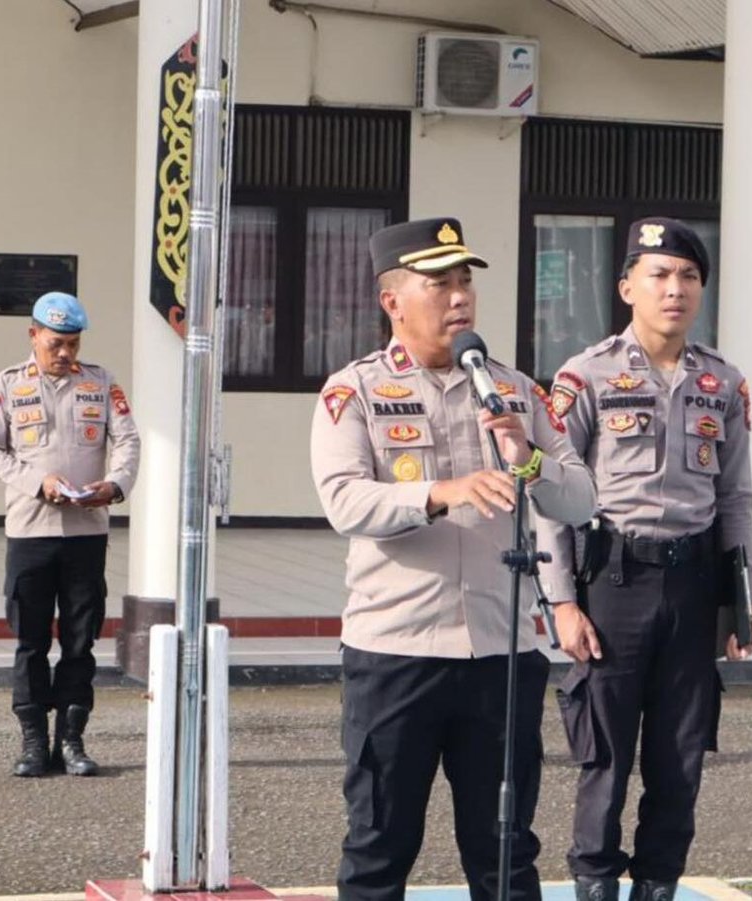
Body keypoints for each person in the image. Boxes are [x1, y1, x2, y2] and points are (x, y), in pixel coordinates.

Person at [310, 218, 595, 901]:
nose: (460, 297)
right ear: (393, 301)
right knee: (379, 845)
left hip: (500, 656)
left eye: (466, 280)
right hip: (395, 654)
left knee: (505, 851)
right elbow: (345, 501)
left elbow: (582, 498)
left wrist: (528, 457)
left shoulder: (515, 390)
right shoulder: (354, 391)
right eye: (440, 283)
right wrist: (439, 492)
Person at [537, 218, 752, 901]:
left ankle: (657, 883)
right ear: (627, 284)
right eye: (660, 275)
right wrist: (563, 601)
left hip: (693, 585)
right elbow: (551, 495)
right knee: (604, 752)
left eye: (689, 277)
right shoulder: (586, 375)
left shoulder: (723, 382)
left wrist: (742, 603)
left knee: (680, 753)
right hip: (612, 580)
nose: (675, 289)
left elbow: (736, 496)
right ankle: (595, 883)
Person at [0, 291, 140, 778]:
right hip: (30, 532)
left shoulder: (101, 383)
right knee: (30, 640)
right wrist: (37, 482)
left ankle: (71, 739)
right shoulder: (6, 385)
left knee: (79, 640)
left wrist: (115, 485)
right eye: (55, 344)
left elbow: (128, 440)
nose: (65, 353)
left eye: (72, 343)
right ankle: (31, 742)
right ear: (33, 336)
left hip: (86, 533)